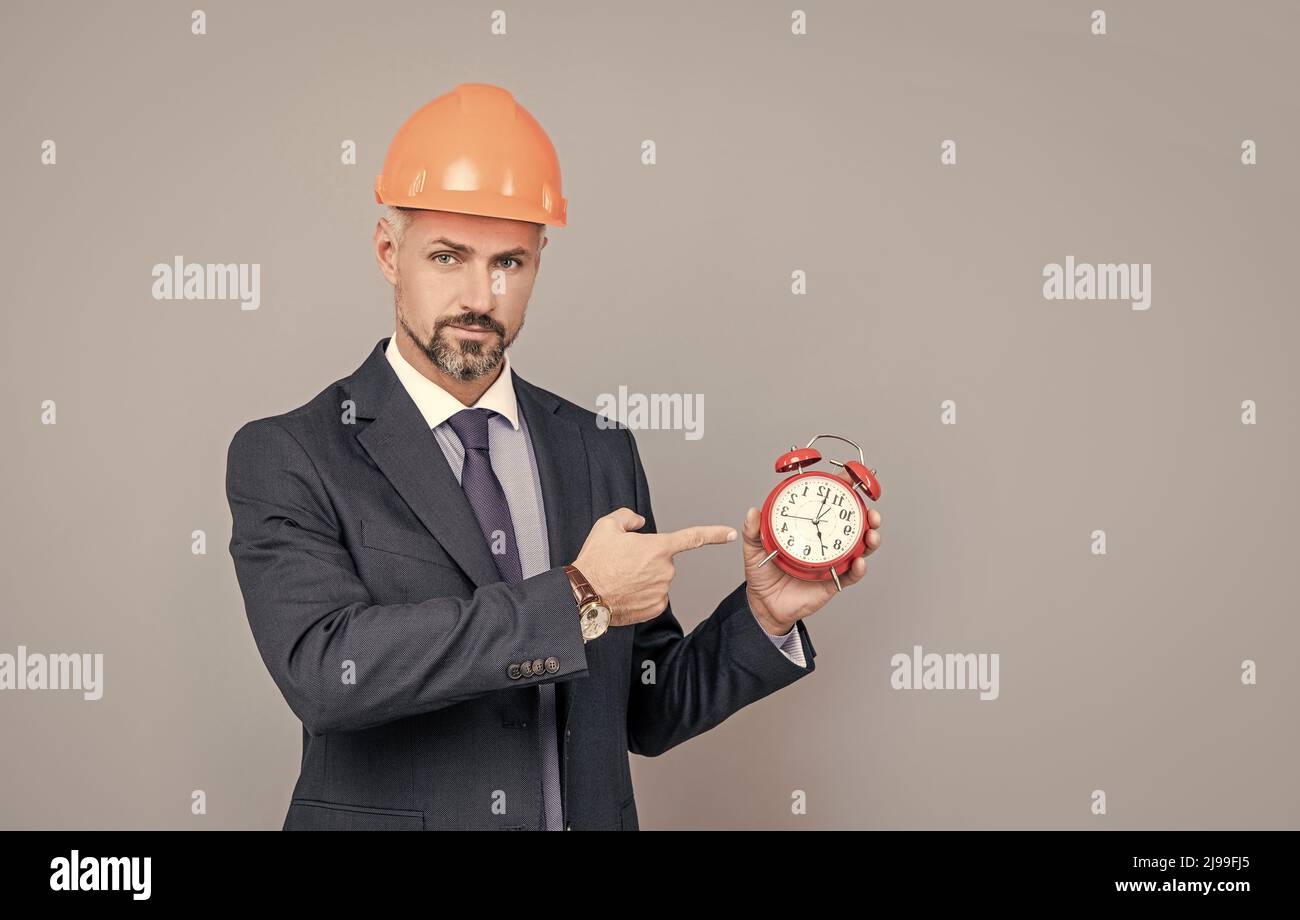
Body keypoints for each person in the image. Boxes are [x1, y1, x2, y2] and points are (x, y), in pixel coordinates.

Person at [224, 83, 883, 831]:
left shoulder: (597, 448)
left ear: (540, 259)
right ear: (388, 252)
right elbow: (326, 675)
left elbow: (645, 707)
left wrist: (762, 616)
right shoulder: (293, 453)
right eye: (447, 257)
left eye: (508, 262)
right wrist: (577, 595)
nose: (480, 296)